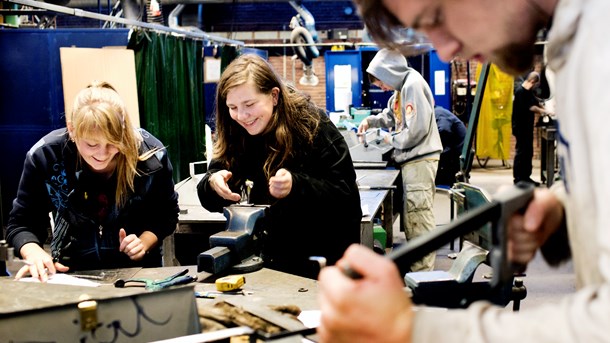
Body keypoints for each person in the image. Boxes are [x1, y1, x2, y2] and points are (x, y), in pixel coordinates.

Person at [317, 0, 610, 342]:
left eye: (438, 16)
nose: (444, 51)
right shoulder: (574, 45)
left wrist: (412, 330)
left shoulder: (600, 46)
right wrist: (566, 208)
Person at [197, 54, 361, 279]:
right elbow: (210, 192)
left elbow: (346, 199)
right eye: (232, 107)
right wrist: (212, 183)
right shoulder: (235, 130)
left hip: (320, 264)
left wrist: (296, 185)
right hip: (266, 261)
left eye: (249, 104)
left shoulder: (312, 126)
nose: (242, 116)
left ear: (274, 96)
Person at [6, 81, 179, 282]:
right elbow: (20, 224)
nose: (102, 154)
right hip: (72, 274)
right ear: (72, 130)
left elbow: (167, 213)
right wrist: (34, 253)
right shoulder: (45, 157)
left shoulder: (151, 157)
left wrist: (144, 242)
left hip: (137, 275)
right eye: (91, 144)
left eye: (113, 143)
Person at [358, 48, 442, 272]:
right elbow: (391, 117)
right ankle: (419, 272)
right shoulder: (401, 89)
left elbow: (416, 130)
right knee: (413, 217)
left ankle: (423, 277)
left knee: (419, 218)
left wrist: (386, 138)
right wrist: (371, 121)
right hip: (412, 162)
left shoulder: (412, 84)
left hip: (420, 161)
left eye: (381, 83)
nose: (382, 88)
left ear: (390, 71)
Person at [512, 71, 546, 186]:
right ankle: (518, 179)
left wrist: (544, 107)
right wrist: (545, 112)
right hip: (520, 127)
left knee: (528, 152)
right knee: (521, 152)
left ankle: (526, 177)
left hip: (527, 127)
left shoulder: (528, 92)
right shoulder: (520, 92)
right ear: (532, 81)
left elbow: (536, 102)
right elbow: (531, 107)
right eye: (536, 84)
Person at [434, 105, 466, 187]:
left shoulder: (437, 112)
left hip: (455, 157)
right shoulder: (438, 111)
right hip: (456, 154)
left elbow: (444, 130)